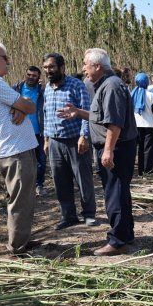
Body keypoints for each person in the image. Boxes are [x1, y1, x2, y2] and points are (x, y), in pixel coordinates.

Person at [57, 48, 137, 256]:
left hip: (116, 148)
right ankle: (125, 235)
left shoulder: (111, 86)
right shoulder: (106, 85)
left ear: (97, 66)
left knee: (115, 195)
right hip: (115, 146)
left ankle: (117, 241)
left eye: (85, 64)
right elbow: (100, 116)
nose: (83, 68)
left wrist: (108, 150)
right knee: (119, 192)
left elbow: (114, 123)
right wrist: (78, 112)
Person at [0, 41, 39, 256]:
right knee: (20, 200)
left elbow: (25, 103)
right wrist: (23, 107)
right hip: (15, 151)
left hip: (15, 149)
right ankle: (17, 247)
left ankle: (22, 239)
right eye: (5, 58)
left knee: (24, 197)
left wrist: (20, 107)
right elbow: (29, 106)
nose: (8, 62)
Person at [43, 52, 97, 230]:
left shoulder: (76, 85)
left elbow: (86, 111)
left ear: (61, 67)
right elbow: (45, 115)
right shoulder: (47, 89)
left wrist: (84, 136)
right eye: (46, 68)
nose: (48, 71)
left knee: (83, 178)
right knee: (60, 181)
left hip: (75, 140)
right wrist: (46, 139)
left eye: (51, 67)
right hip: (55, 142)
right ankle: (68, 215)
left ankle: (89, 214)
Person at [12, 66, 47, 196]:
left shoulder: (42, 90)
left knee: (41, 160)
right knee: (23, 161)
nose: (31, 77)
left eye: (34, 75)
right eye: (29, 74)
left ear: (38, 77)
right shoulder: (16, 89)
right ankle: (25, 186)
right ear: (25, 74)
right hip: (21, 131)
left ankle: (39, 184)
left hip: (39, 131)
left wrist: (43, 88)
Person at [132, 72, 153, 175]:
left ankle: (140, 171)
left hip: (137, 125)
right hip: (150, 125)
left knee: (140, 148)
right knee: (148, 148)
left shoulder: (132, 94)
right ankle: (148, 170)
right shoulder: (151, 95)